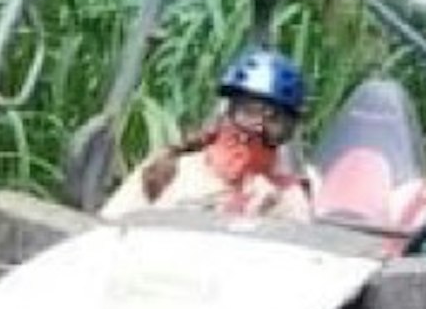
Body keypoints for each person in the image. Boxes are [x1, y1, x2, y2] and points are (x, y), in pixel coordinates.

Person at [102, 45, 316, 222]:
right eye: (250, 112)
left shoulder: (288, 196)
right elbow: (109, 230)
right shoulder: (169, 170)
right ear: (227, 111)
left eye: (275, 120)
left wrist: (266, 216)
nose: (259, 128)